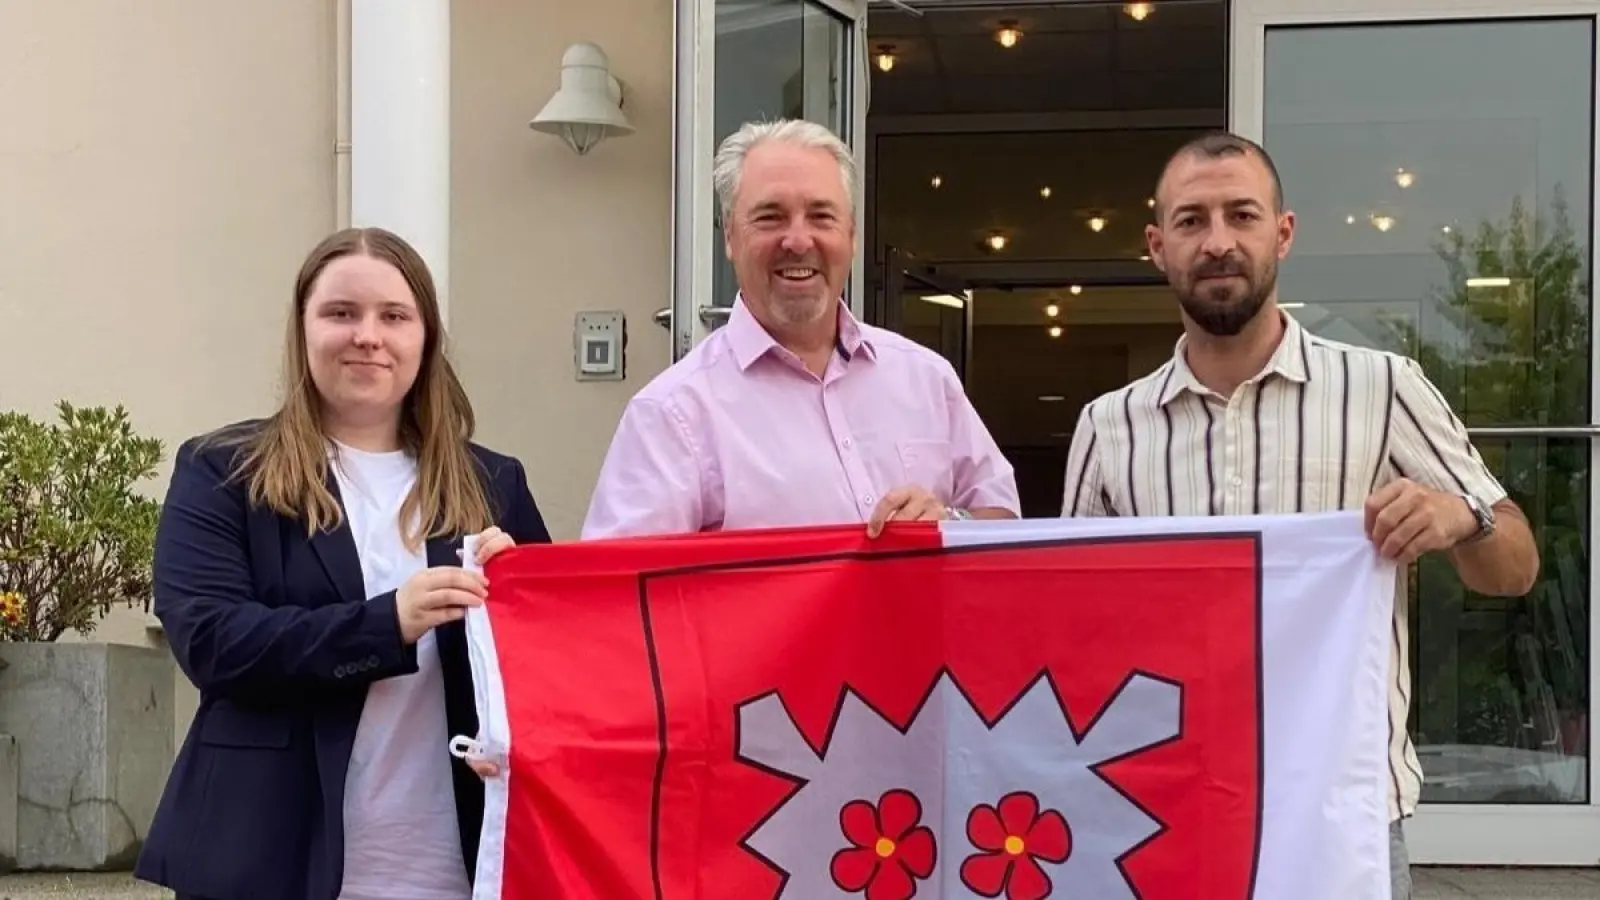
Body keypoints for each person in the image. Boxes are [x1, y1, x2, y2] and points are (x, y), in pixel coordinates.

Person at [1059, 132, 1540, 898]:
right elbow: (1072, 626)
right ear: (1157, 246)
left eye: (1241, 215)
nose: (1218, 242)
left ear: (1282, 232)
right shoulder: (1109, 427)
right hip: (1164, 809)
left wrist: (1460, 518)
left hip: (1342, 816)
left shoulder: (1382, 389)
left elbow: (1516, 567)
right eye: (1191, 221)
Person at [134, 227, 551, 900]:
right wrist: (386, 624)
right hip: (269, 854)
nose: (367, 335)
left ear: (426, 338)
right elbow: (211, 641)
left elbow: (554, 672)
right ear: (302, 331)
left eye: (393, 316)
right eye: (340, 313)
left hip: (453, 861)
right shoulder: (223, 471)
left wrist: (524, 600)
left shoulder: (492, 484)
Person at [582, 119, 1019, 539]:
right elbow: (620, 592)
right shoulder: (672, 415)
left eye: (821, 216)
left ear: (851, 235)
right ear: (730, 238)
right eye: (770, 217)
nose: (798, 240)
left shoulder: (927, 379)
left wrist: (950, 522)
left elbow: (1005, 526)